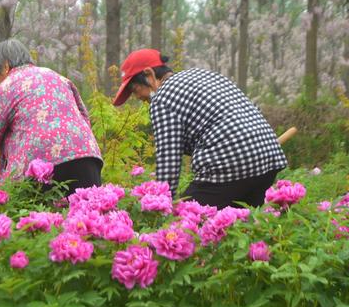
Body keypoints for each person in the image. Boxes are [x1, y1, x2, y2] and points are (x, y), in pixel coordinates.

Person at [113, 48, 287, 209]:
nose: (138, 97)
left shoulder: (162, 98)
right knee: (238, 226)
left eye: (135, 89)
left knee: (186, 222)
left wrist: (159, 208)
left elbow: (169, 158)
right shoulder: (204, 75)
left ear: (149, 74)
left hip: (228, 164)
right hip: (268, 159)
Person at [0, 39, 103, 205]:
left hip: (41, 168)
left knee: (34, 225)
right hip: (86, 158)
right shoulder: (59, 78)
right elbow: (83, 117)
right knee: (89, 221)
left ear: (5, 66)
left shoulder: (4, 89)